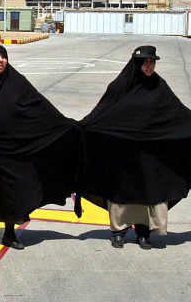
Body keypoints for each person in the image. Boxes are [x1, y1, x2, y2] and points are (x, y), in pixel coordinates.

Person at [0, 45, 83, 250]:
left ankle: (9, 234)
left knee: (11, 191)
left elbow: (40, 106)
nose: (1, 61)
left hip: (11, 150)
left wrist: (65, 125)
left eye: (4, 57)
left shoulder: (17, 83)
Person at [80, 46, 191, 249]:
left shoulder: (159, 86)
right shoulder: (120, 87)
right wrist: (82, 127)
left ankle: (143, 232)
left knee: (148, 193)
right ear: (137, 64)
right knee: (120, 193)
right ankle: (118, 232)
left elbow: (178, 114)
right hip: (122, 154)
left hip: (150, 156)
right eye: (145, 62)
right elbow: (102, 114)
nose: (149, 66)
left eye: (152, 62)